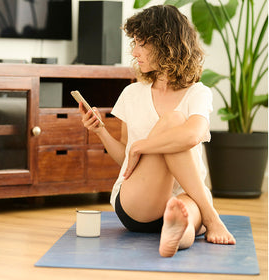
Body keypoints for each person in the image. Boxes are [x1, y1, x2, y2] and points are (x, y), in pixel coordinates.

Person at [79, 5, 236, 258]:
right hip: (138, 201)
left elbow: (193, 135)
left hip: (186, 197)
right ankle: (211, 217)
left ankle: (174, 234)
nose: (134, 52)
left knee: (184, 215)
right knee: (172, 122)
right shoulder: (132, 94)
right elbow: (126, 161)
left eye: (141, 44)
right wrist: (101, 132)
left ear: (166, 44)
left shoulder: (198, 93)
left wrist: (141, 146)